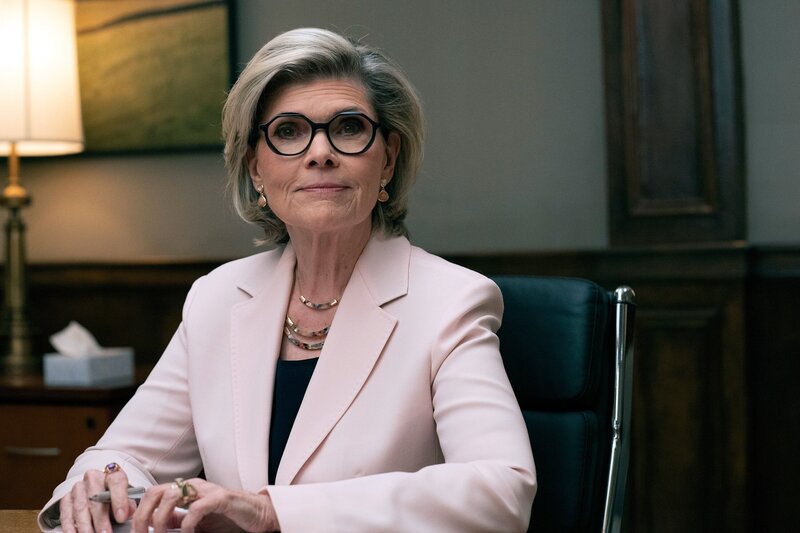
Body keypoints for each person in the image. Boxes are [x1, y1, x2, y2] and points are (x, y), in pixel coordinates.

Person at [38, 27, 536, 533]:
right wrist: (103, 483)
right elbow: (123, 455)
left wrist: (272, 511)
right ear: (255, 167)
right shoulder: (216, 298)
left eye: (348, 128)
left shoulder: (450, 301)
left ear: (387, 158)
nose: (320, 152)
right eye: (289, 131)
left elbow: (502, 490)